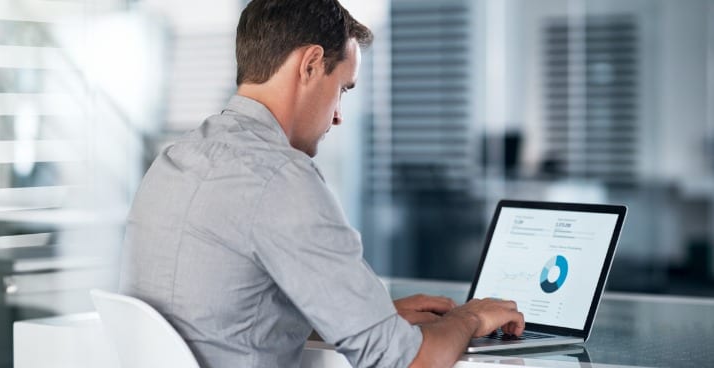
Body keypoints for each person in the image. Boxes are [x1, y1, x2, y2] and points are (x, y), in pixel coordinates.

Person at [118, 0, 524, 367]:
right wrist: (468, 317)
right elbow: (407, 361)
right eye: (342, 89)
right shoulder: (278, 176)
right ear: (310, 64)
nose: (337, 117)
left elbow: (220, 324)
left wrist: (367, 317)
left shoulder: (174, 161)